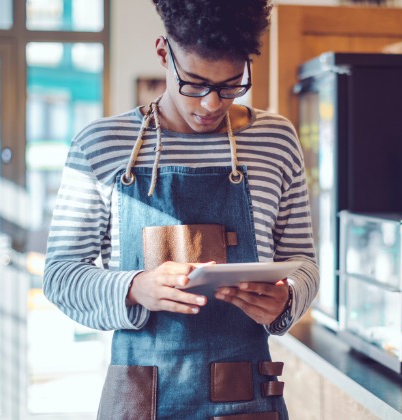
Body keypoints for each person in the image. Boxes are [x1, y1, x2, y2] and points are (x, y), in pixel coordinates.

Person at [42, 0, 318, 418]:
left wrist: (287, 299)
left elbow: (304, 263)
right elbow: (60, 276)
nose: (210, 103)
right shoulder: (100, 144)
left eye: (230, 84)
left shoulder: (274, 140)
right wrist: (136, 288)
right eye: (194, 83)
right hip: (142, 398)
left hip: (247, 394)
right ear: (162, 53)